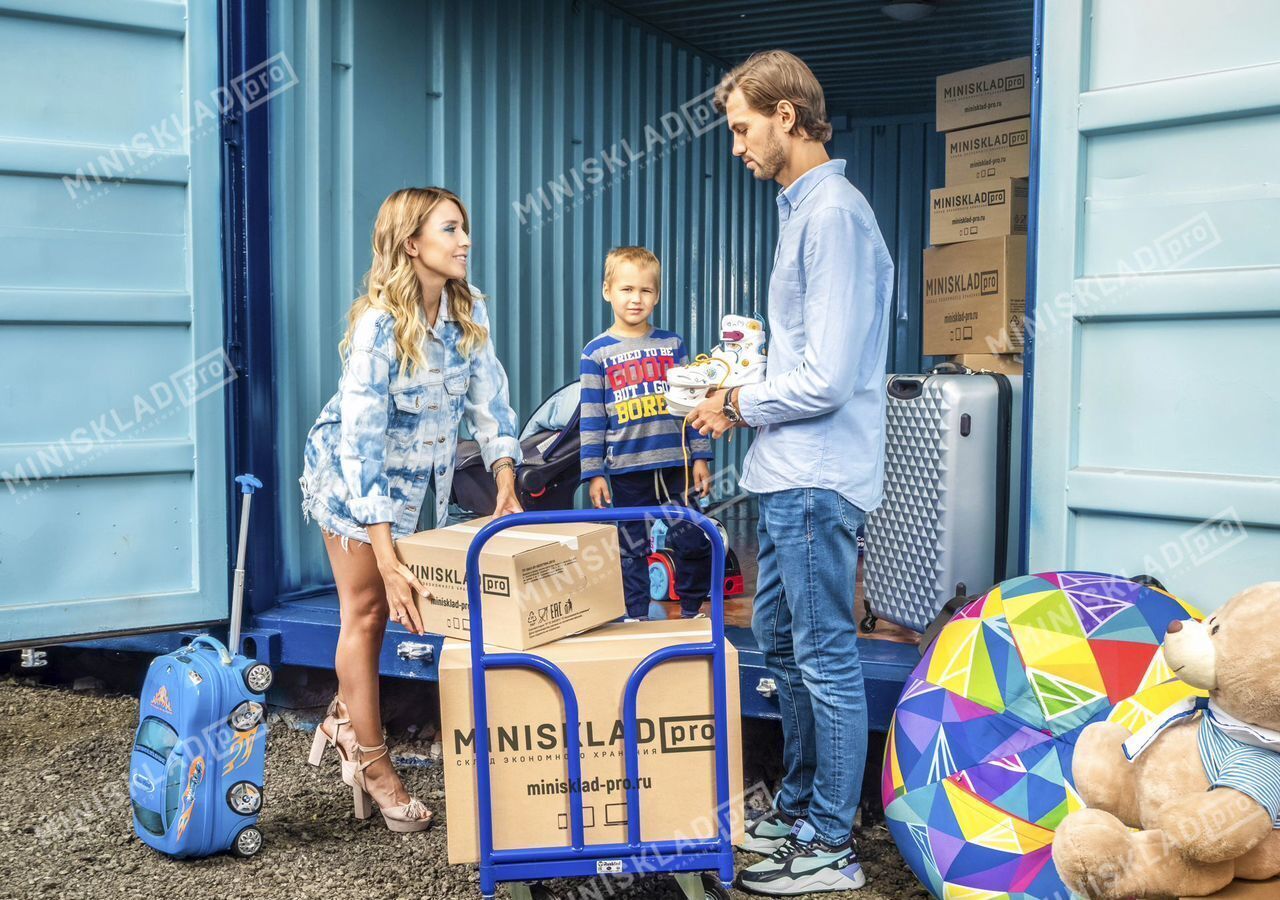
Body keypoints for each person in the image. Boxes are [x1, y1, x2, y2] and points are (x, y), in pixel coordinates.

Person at [689, 50, 894, 895]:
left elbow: (829, 376)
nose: (736, 145)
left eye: (742, 128)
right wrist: (732, 380)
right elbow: (806, 358)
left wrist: (736, 401)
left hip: (815, 476)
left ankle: (830, 846)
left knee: (823, 653)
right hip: (787, 475)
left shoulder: (833, 216)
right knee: (779, 643)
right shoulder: (800, 213)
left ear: (787, 116)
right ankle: (804, 802)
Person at [298, 187, 523, 832]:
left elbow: (492, 403)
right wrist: (388, 552)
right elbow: (360, 446)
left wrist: (505, 478)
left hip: (420, 487)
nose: (465, 242)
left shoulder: (466, 309)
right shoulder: (377, 325)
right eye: (450, 230)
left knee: (399, 610)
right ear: (411, 243)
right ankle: (371, 761)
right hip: (352, 484)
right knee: (368, 609)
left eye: (465, 229)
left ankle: (348, 716)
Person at [579, 246, 714, 620]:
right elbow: (592, 417)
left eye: (645, 290)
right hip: (625, 469)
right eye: (626, 289)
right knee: (629, 548)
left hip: (676, 466)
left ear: (656, 295)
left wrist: (700, 456)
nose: (635, 298)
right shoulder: (596, 353)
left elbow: (693, 405)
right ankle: (635, 615)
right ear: (608, 291)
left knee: (692, 539)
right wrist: (593, 474)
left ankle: (690, 611)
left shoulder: (672, 345)